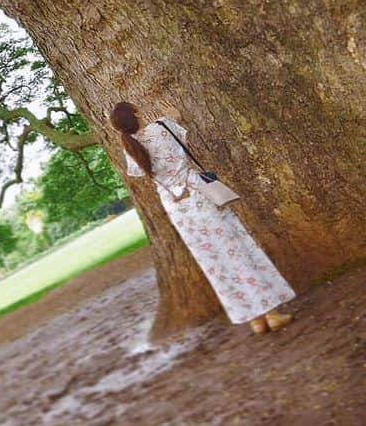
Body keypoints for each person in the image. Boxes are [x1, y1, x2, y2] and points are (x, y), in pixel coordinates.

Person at [110, 101, 295, 334]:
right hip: (199, 196)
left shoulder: (131, 147)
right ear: (137, 113)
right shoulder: (161, 127)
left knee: (216, 263)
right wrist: (171, 114)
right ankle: (271, 313)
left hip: (177, 207)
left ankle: (254, 319)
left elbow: (140, 172)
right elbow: (178, 119)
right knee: (236, 249)